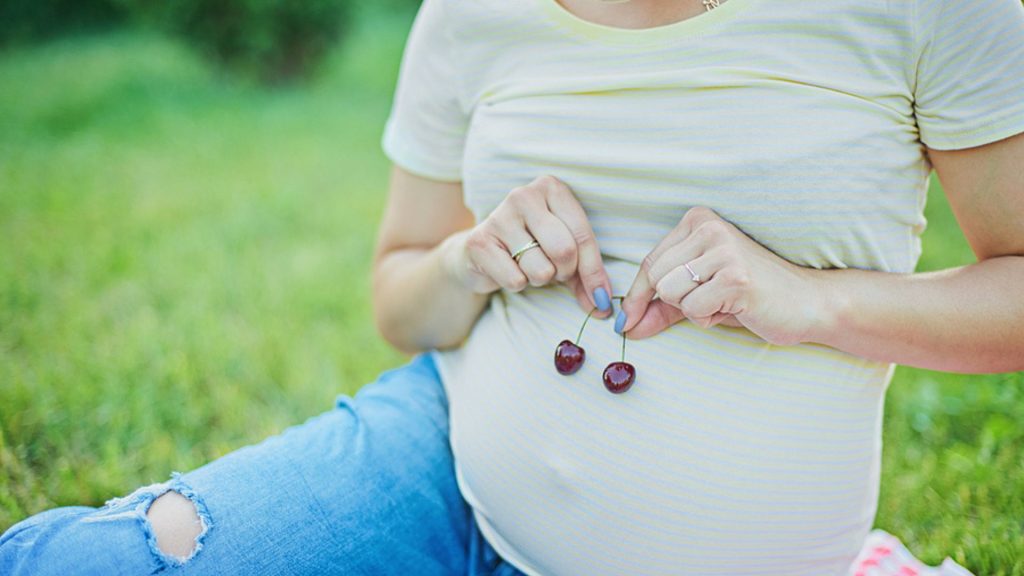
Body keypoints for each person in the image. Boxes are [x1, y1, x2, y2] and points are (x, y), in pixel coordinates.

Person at [3, 0, 1023, 574]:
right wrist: (468, 259)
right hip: (447, 472)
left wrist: (813, 302)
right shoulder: (468, 17)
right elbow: (398, 297)